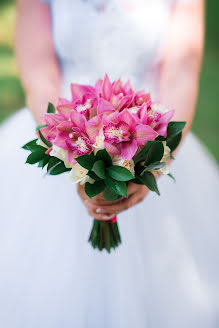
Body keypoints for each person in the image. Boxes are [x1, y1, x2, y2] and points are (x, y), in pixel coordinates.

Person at [0, 0, 218, 327]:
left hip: (148, 132)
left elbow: (181, 75)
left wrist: (154, 163)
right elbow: (38, 70)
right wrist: (72, 149)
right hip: (67, 126)